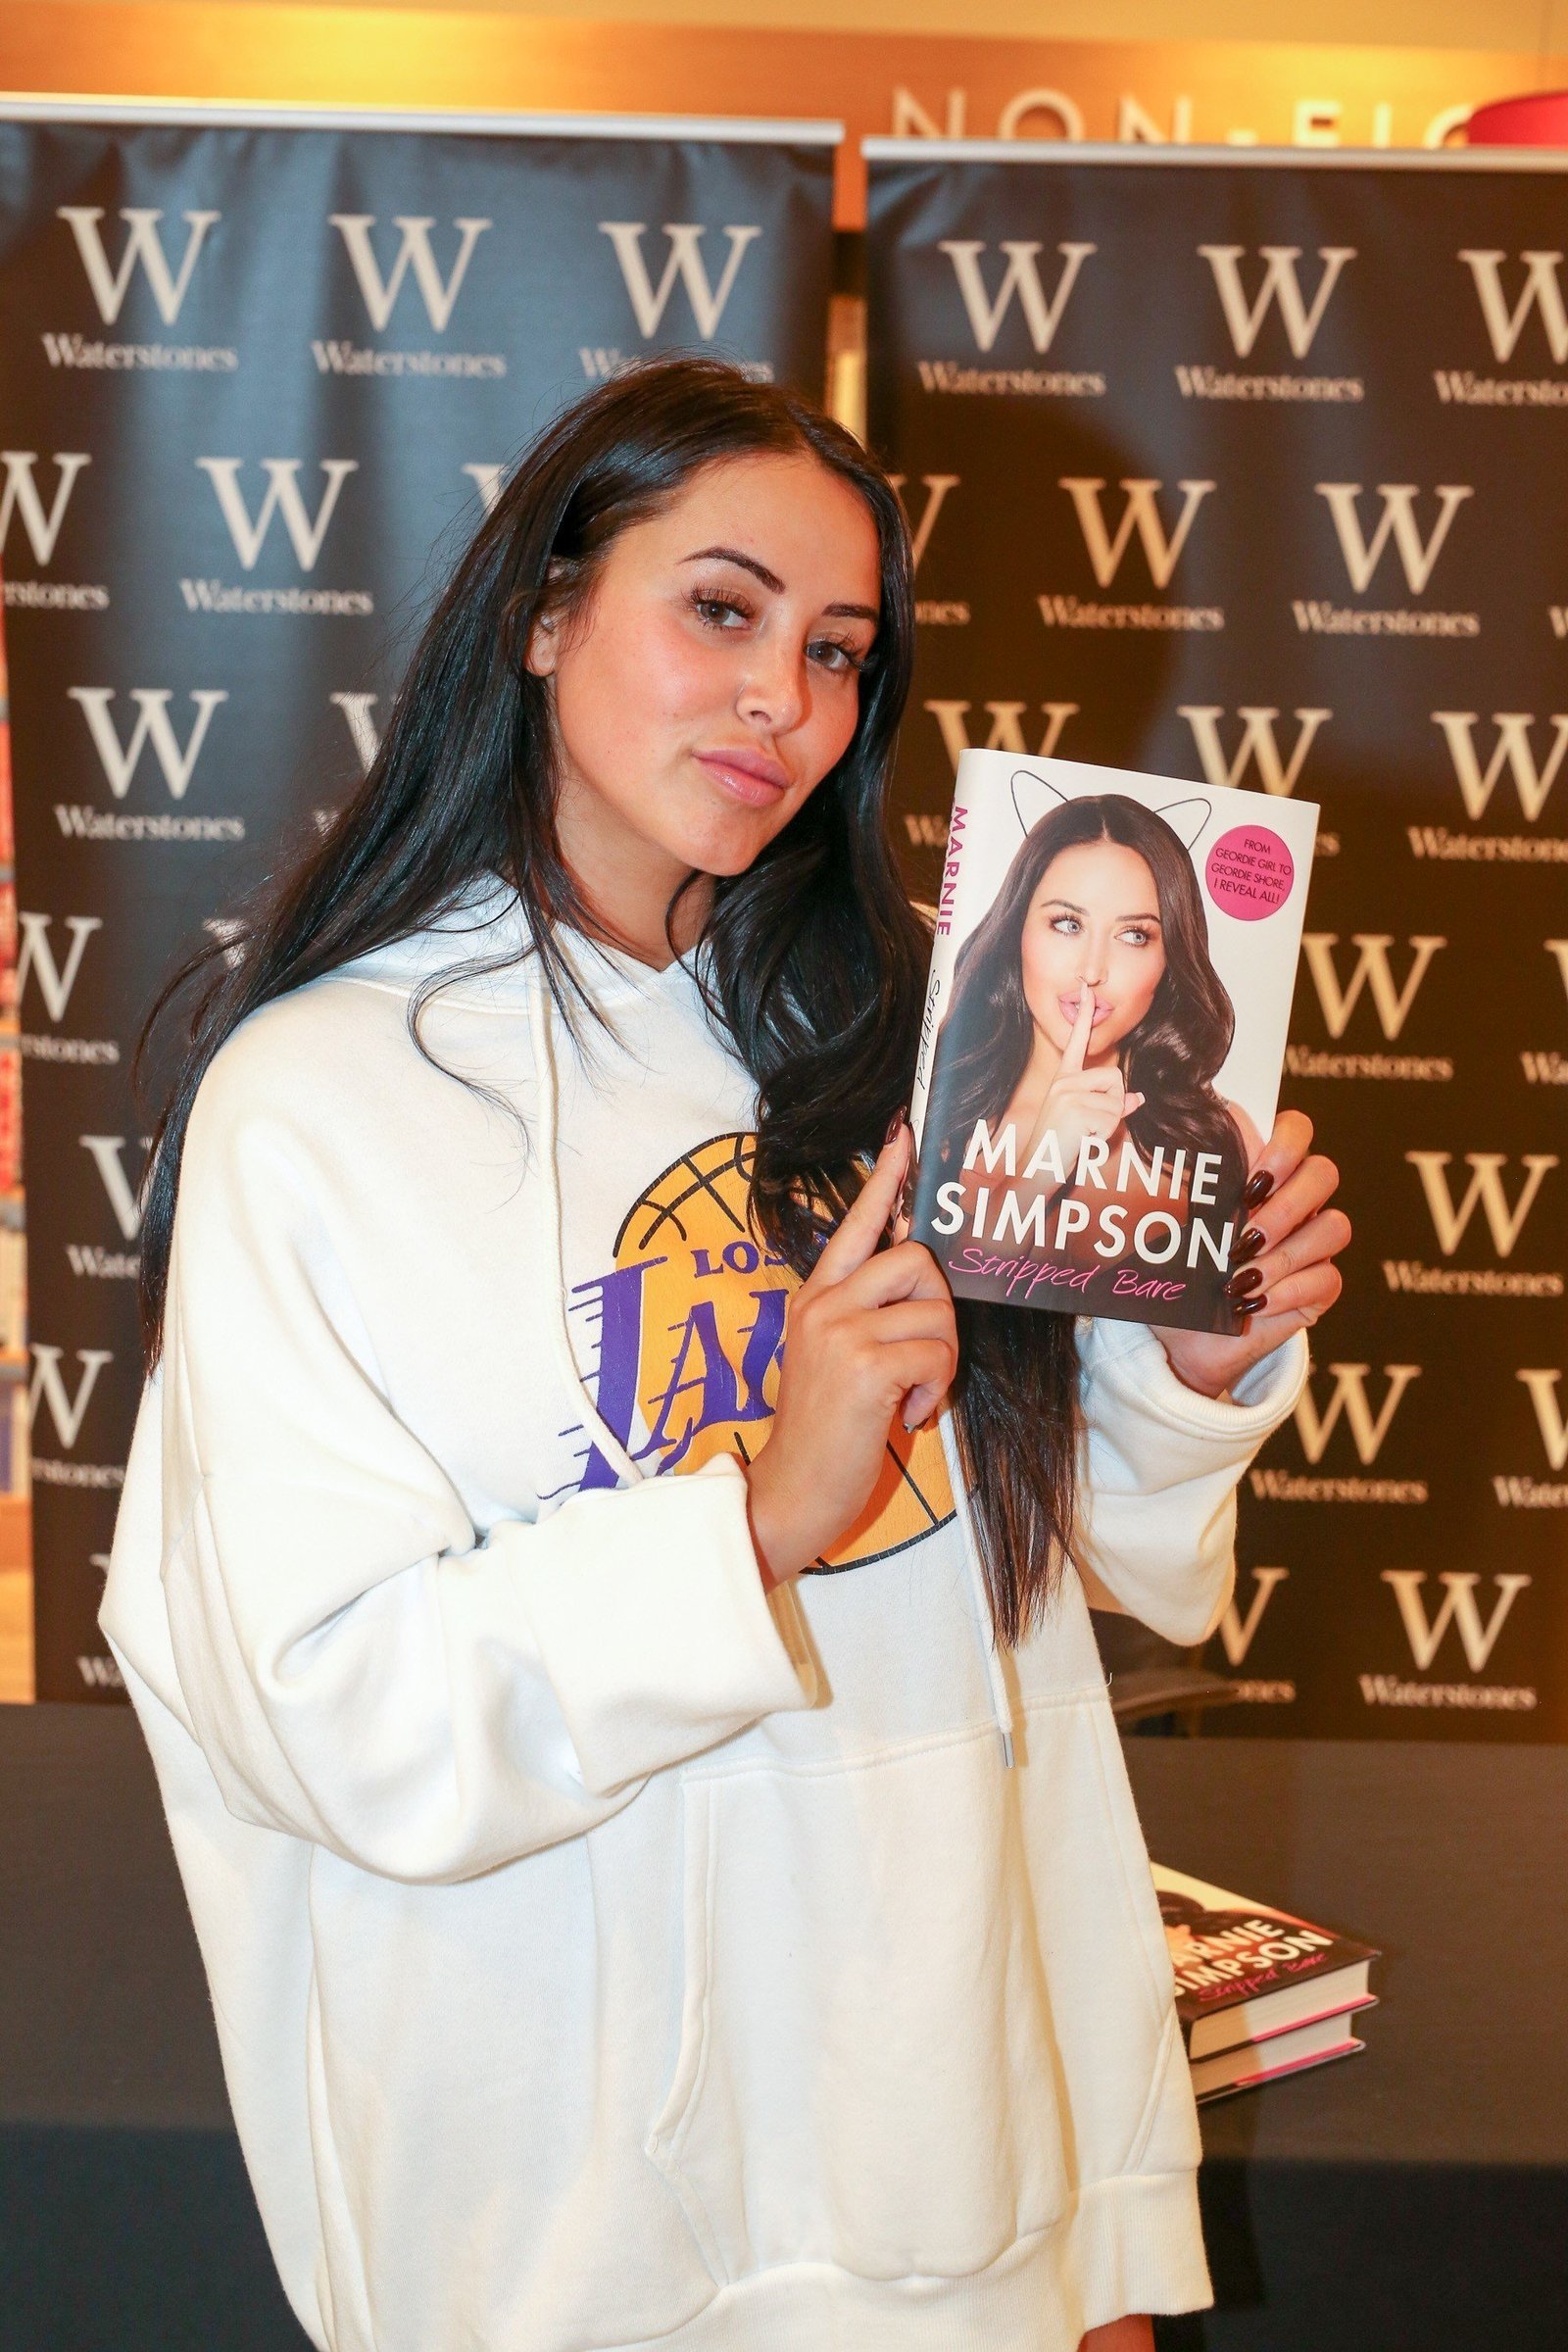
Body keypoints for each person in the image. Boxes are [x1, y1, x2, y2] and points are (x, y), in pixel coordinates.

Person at [101, 357, 1349, 2352]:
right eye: (719, 609)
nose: (787, 694)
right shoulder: (323, 1098)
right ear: (542, 612)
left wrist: (1193, 1364)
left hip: (966, 2172)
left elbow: (1023, 1593)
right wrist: (753, 1517)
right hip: (580, 2244)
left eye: (840, 650)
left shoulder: (884, 1049)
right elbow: (322, 1709)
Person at [924, 792, 1264, 1328]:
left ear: (1169, 959)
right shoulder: (937, 1111)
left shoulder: (1218, 1140)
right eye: (1066, 924)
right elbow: (925, 1331)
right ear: (1017, 931)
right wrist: (1041, 1165)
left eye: (1134, 935)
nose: (1093, 969)